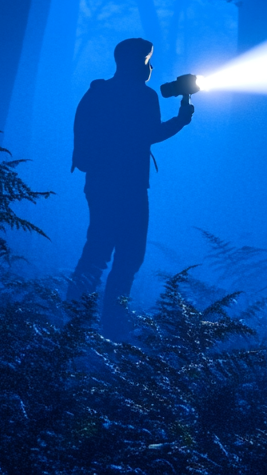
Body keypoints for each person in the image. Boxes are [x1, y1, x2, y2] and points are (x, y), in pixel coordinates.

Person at [68, 37, 194, 338]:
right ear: (136, 62)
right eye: (148, 60)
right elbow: (148, 134)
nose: (151, 66)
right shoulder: (143, 95)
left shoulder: (98, 92)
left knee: (97, 248)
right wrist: (181, 120)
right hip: (130, 187)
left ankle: (73, 320)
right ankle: (114, 323)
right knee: (129, 254)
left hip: (99, 183)